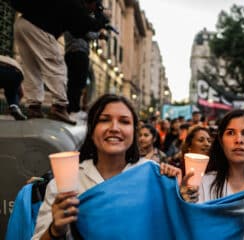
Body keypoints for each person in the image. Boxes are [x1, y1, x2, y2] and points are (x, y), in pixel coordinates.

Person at [32, 94, 181, 239]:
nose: (114, 128)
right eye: (104, 120)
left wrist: (181, 196)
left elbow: (172, 229)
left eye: (124, 121)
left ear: (134, 132)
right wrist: (55, 231)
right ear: (91, 130)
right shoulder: (65, 182)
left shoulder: (153, 177)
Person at [12, 0, 108, 124]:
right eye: (92, 8)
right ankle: (59, 107)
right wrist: (100, 15)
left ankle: (33, 107)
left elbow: (78, 31)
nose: (91, 12)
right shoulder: (76, 4)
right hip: (39, 28)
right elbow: (89, 24)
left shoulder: (71, 7)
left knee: (32, 68)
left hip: (22, 25)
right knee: (57, 66)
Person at [0, 55, 27, 120]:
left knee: (11, 92)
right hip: (17, 72)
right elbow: (21, 93)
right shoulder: (10, 60)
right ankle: (14, 107)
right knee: (11, 93)